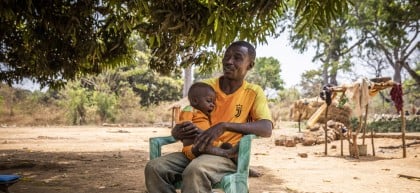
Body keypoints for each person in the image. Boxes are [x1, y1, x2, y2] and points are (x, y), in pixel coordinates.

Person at [145, 40, 273, 193]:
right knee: (154, 168)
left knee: (195, 170)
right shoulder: (205, 88)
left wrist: (223, 126)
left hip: (226, 155)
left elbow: (266, 128)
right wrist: (178, 131)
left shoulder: (253, 92)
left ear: (249, 65)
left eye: (237, 57)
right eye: (227, 56)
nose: (229, 61)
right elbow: (188, 116)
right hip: (196, 150)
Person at [179, 82, 238, 160]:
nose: (212, 105)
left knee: (227, 145)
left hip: (207, 141)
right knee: (204, 147)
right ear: (195, 101)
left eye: (213, 102)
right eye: (209, 101)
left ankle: (241, 166)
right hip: (192, 147)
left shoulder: (205, 115)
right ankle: (225, 153)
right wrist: (203, 133)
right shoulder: (189, 109)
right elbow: (186, 126)